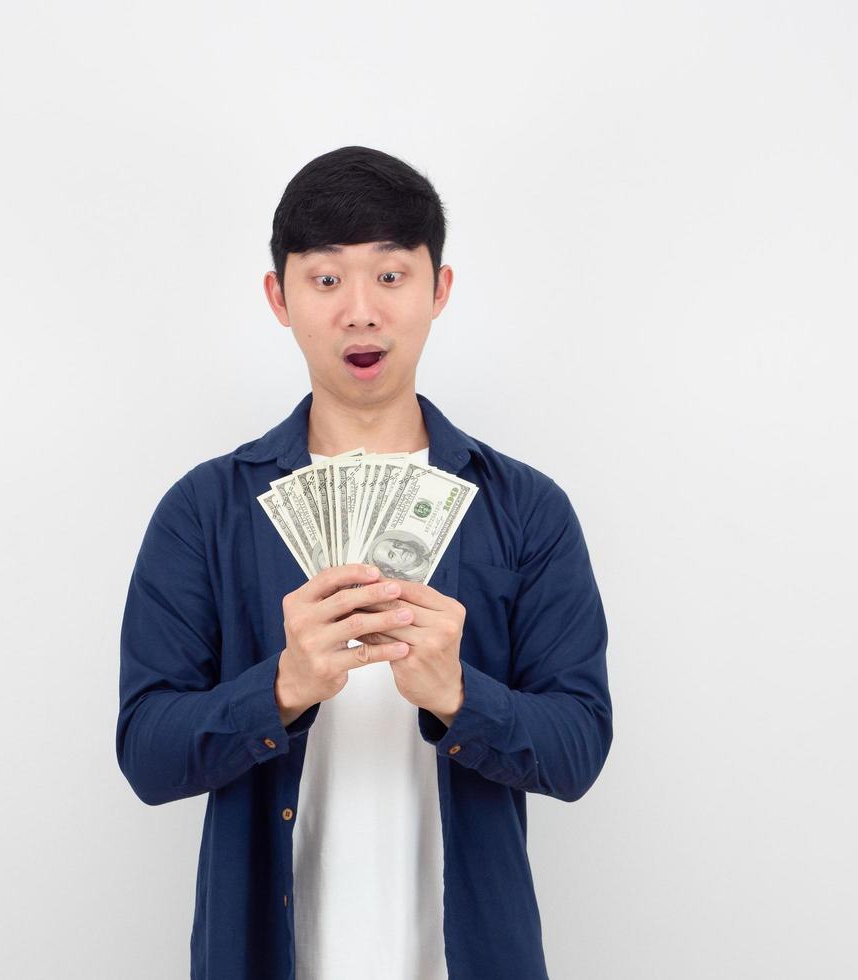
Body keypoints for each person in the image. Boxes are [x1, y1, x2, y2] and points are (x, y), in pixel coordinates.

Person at [116, 145, 613, 979]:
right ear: (278, 297)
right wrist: (280, 687)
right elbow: (147, 754)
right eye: (324, 279)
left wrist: (459, 696)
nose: (359, 312)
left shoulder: (526, 509)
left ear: (437, 290)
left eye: (389, 276)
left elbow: (578, 749)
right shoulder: (203, 511)